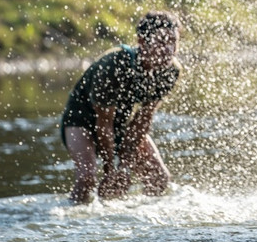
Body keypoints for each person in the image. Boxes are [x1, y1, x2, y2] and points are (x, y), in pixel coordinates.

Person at [60, 11, 182, 204]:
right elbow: (103, 123)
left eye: (173, 41)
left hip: (120, 122)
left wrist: (124, 166)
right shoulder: (114, 63)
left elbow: (143, 120)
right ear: (142, 41)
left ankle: (141, 220)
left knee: (159, 178)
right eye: (160, 41)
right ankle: (73, 220)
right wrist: (111, 170)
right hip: (81, 120)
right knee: (87, 178)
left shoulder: (170, 71)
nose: (168, 49)